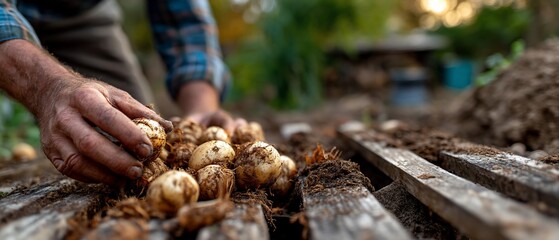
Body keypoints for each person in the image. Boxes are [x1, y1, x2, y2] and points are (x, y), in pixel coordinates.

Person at [0, 0, 242, 186]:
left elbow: (184, 17)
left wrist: (201, 105)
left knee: (132, 137)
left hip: (78, 12)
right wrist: (48, 88)